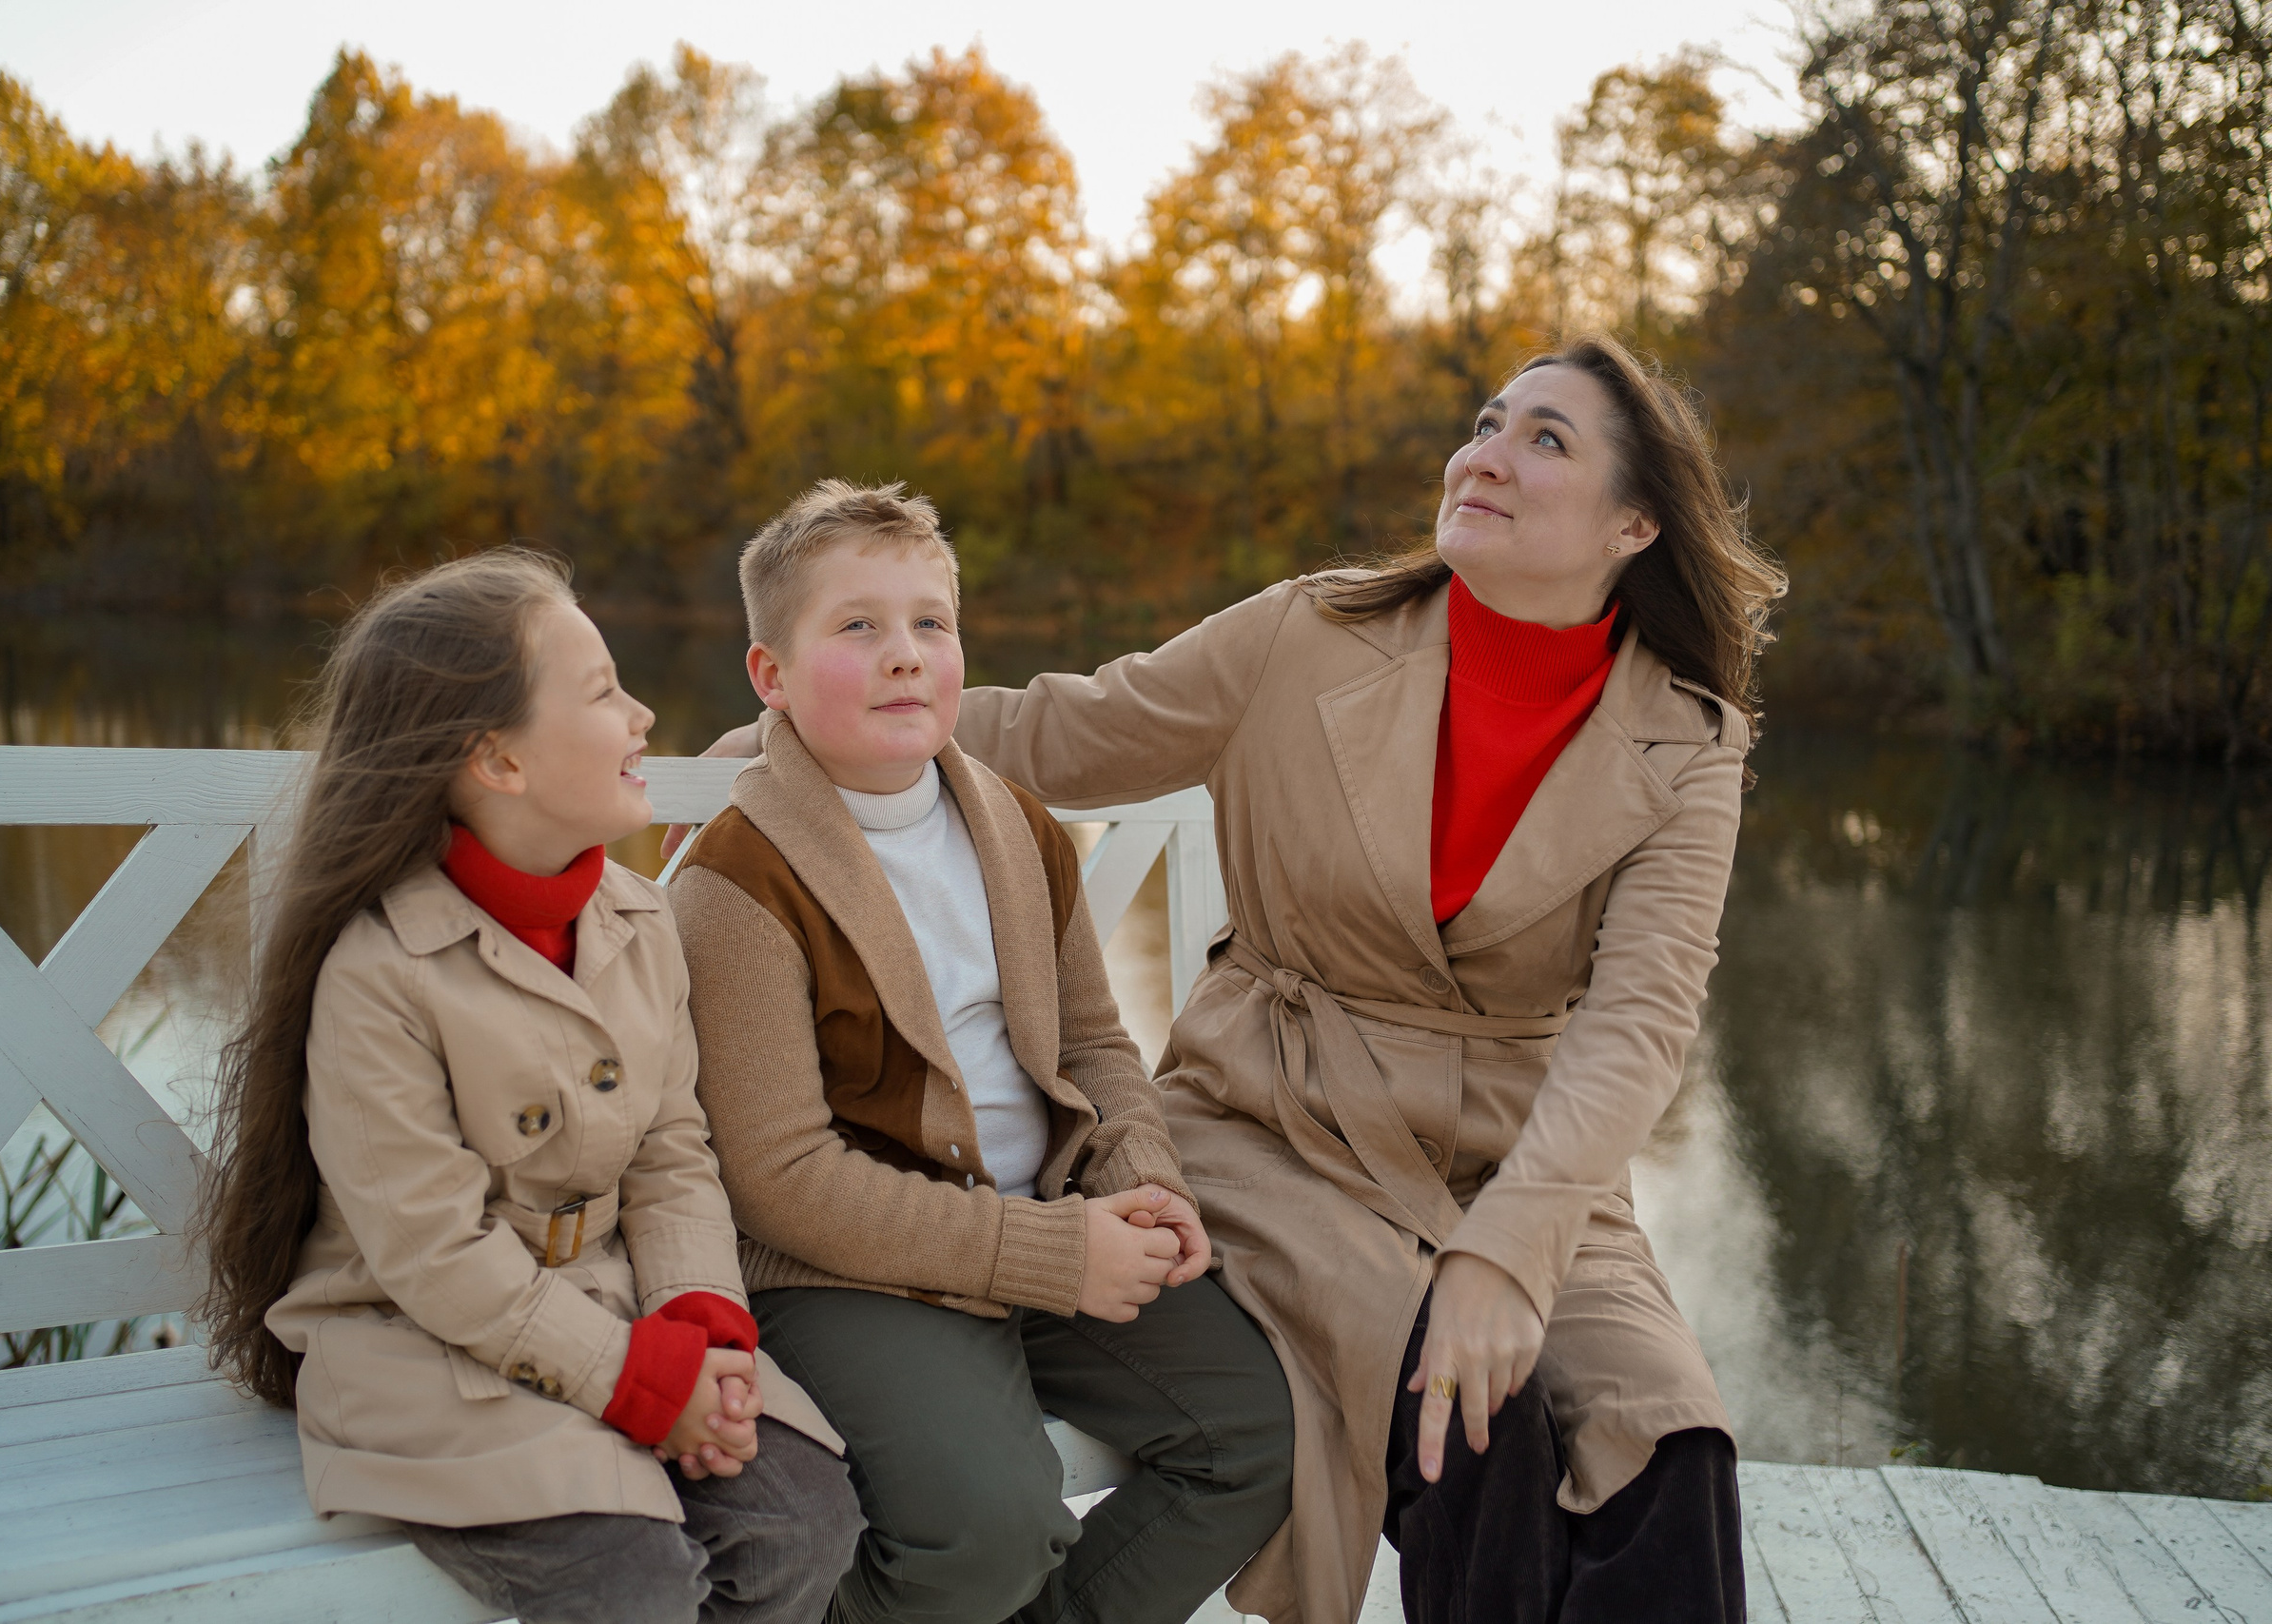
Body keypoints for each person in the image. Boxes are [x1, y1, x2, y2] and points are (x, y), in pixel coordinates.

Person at [676, 335, 1784, 1622]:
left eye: (1546, 439)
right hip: (1283, 1123)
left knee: (1670, 1440)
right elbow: (1059, 729)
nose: (1485, 452)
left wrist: (1510, 1249)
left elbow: (1640, 1019)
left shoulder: (1688, 738)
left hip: (1522, 1155)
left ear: (1635, 520)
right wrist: (802, 724)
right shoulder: (1313, 631)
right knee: (1463, 1407)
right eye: (1487, 421)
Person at [665, 481, 1296, 1624]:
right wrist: (1051, 1255)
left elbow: (1095, 1042)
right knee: (987, 1530)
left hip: (1051, 1217)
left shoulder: (1015, 824)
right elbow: (781, 1181)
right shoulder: (737, 880)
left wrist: (1139, 1182)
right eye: (857, 627)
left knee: (1253, 1436)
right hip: (852, 1267)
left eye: (930, 624)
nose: (904, 655)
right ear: (771, 677)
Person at [195, 549, 864, 1624]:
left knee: (803, 1520)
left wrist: (702, 1329)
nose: (644, 715)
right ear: (496, 760)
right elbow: (434, 1254)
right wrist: (636, 1382)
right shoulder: (381, 971)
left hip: (623, 1307)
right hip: (424, 1343)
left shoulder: (641, 923)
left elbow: (671, 1153)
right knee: (631, 1583)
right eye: (603, 692)